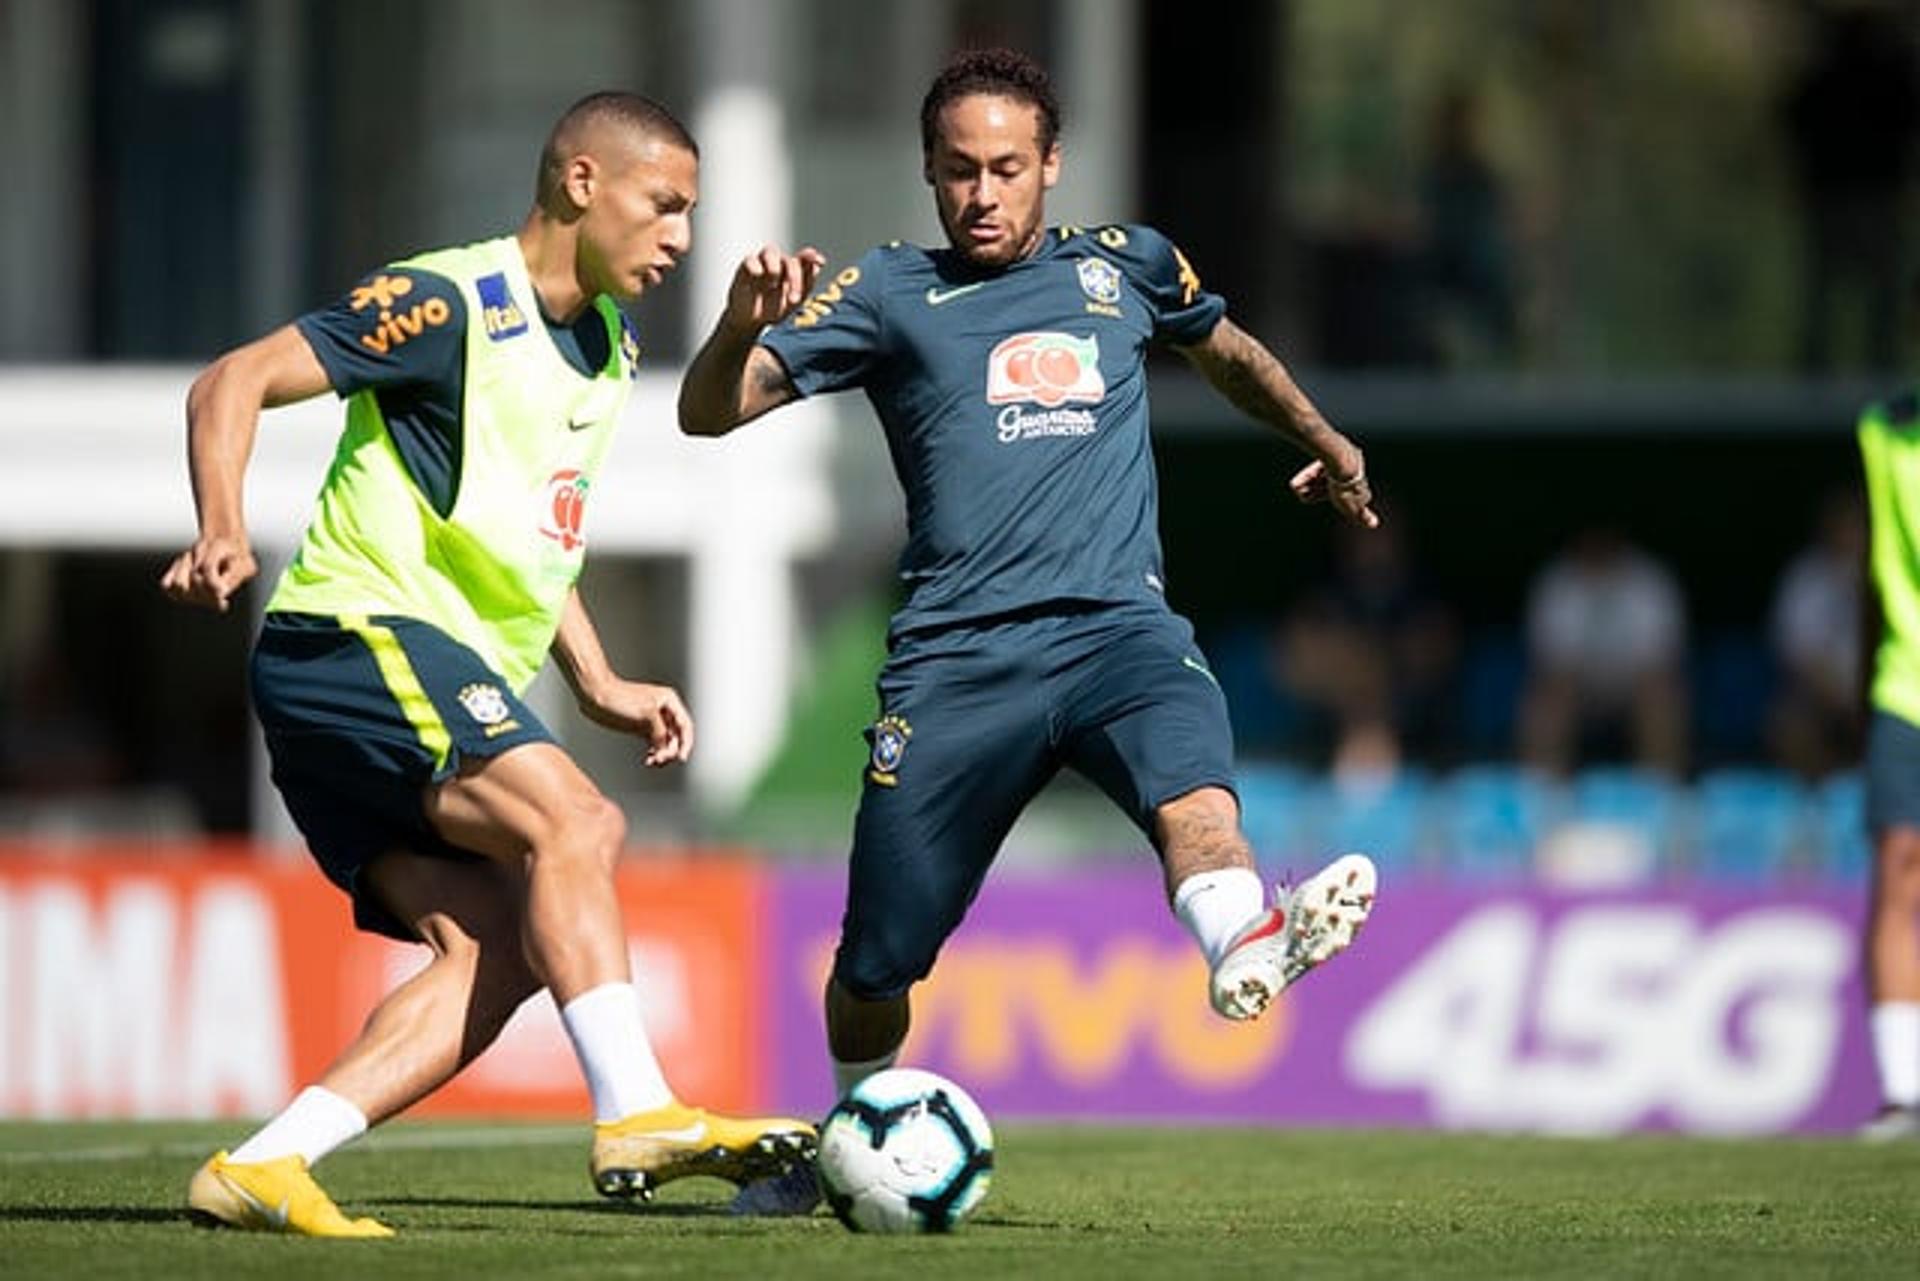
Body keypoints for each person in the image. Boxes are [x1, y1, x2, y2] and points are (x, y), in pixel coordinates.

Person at [679, 48, 1380, 1213]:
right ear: (929, 174)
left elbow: (1231, 351)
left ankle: (1243, 944)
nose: (984, 193)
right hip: (958, 665)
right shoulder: (887, 293)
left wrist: (1321, 435)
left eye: (1008, 168)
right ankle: (851, 1126)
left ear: (1053, 165)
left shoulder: (1129, 267)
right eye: (960, 172)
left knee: (1199, 811)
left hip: (1120, 634)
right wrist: (737, 324)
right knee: (873, 966)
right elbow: (709, 415)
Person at [159, 92, 813, 1237]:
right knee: (580, 824)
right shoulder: (446, 300)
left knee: (502, 951)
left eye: (691, 215)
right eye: (664, 206)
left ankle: (266, 1164)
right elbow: (232, 380)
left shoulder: (607, 345)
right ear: (580, 184)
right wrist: (223, 525)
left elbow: (534, 540)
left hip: (416, 670)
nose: (681, 238)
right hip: (351, 637)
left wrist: (601, 681)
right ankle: (639, 1110)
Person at [1857, 389, 1920, 1140]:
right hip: (1905, 685)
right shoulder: (1886, 429)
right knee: (1900, 866)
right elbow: (1875, 569)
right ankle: (1904, 1090)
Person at [1517, 527, 1688, 777]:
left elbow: (1658, 664)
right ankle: (1543, 795)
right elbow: (1555, 667)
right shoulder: (1557, 580)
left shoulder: (1649, 579)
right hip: (1577, 687)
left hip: (1634, 686)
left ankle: (1661, 793)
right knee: (1547, 705)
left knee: (1661, 700)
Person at [1768, 490, 1865, 779]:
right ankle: (1818, 805)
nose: (1849, 534)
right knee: (1788, 722)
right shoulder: (1805, 578)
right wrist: (1844, 699)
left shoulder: (1895, 573)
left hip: (1883, 700)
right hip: (1822, 699)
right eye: (1842, 525)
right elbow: (1799, 659)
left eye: (1857, 525)